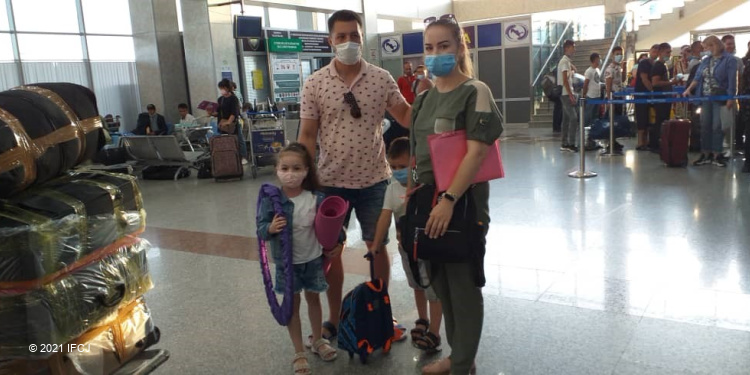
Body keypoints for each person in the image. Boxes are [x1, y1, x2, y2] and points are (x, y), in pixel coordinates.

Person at [297, 9, 412, 344]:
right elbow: (306, 134)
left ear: (362, 39)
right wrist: (303, 180)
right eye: (341, 36)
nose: (348, 42)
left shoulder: (380, 78)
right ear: (330, 40)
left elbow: (405, 114)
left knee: (378, 248)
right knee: (329, 253)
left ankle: (380, 312)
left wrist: (439, 104)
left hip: (376, 180)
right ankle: (334, 318)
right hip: (329, 182)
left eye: (354, 36)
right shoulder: (315, 83)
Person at [409, 14, 503, 375]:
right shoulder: (424, 97)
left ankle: (463, 363)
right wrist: (412, 195)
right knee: (441, 281)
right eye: (429, 48)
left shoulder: (474, 91)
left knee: (463, 283)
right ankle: (457, 353)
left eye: (443, 46)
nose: (435, 54)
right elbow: (419, 152)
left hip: (461, 201)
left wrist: (448, 200)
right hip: (426, 200)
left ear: (459, 47)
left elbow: (476, 152)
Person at [256, 143, 342, 375]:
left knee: (314, 300)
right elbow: (261, 229)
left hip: (313, 259)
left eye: (296, 168)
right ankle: (298, 351)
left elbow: (332, 225)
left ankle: (317, 340)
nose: (290, 173)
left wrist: (337, 243)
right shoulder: (271, 200)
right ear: (276, 169)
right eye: (285, 168)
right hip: (287, 264)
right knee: (292, 307)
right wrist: (271, 228)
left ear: (306, 170)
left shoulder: (316, 197)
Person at [371, 137, 443, 353]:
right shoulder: (392, 189)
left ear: (415, 163)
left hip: (428, 249)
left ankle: (435, 331)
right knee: (416, 286)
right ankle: (422, 319)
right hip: (406, 250)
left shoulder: (426, 186)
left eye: (402, 167)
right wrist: (375, 244)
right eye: (393, 167)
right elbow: (385, 216)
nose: (397, 171)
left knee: (433, 290)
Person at [684, 35, 738, 168]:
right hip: (705, 97)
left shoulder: (729, 60)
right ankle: (705, 153)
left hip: (720, 98)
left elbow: (732, 81)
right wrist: (689, 89)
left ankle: (716, 154)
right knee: (705, 125)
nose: (705, 50)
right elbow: (697, 77)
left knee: (717, 126)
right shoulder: (705, 61)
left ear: (714, 45)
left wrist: (730, 98)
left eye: (707, 47)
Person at [651, 43, 680, 152]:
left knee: (662, 120)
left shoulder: (663, 66)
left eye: (670, 52)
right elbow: (655, 82)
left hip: (665, 97)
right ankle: (656, 144)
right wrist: (671, 82)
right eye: (667, 52)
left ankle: (659, 142)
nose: (669, 54)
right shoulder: (658, 66)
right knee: (660, 120)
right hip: (661, 97)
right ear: (660, 53)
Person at [215, 78, 249, 164]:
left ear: (227, 88)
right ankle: (230, 157)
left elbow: (234, 112)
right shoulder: (220, 99)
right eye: (220, 88)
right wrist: (211, 112)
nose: (221, 90)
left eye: (223, 88)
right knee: (226, 140)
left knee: (239, 139)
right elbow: (218, 112)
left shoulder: (234, 99)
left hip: (233, 123)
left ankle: (243, 156)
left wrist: (229, 122)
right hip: (222, 123)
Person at [634, 44, 660, 150]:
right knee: (642, 117)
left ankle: (648, 141)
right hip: (642, 93)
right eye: (654, 49)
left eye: (657, 50)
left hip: (651, 95)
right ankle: (641, 142)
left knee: (650, 118)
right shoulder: (644, 63)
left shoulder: (657, 64)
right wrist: (652, 91)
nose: (655, 51)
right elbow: (644, 79)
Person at [722, 35, 745, 153]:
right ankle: (723, 146)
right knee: (723, 123)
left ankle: (731, 146)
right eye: (728, 43)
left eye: (732, 43)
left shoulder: (738, 60)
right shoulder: (719, 60)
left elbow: (741, 78)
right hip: (721, 97)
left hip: (735, 96)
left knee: (733, 121)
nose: (731, 46)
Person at [558, 39, 579, 152]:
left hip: (566, 93)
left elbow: (569, 72)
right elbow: (565, 80)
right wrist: (571, 95)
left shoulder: (566, 61)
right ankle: (571, 143)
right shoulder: (564, 62)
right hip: (566, 94)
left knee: (566, 119)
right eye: (572, 48)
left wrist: (572, 67)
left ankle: (564, 143)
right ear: (567, 48)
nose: (574, 50)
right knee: (574, 118)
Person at [583, 52, 602, 127]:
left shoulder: (598, 70)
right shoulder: (589, 71)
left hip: (597, 95)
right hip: (591, 96)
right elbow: (586, 83)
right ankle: (585, 129)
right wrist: (584, 93)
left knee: (595, 115)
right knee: (588, 114)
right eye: (599, 59)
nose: (600, 60)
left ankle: (593, 130)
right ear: (595, 60)